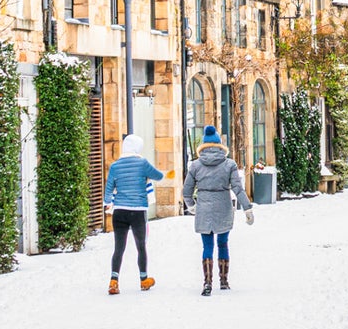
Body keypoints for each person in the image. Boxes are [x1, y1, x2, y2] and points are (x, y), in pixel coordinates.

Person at [182, 125, 254, 296]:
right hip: (223, 205)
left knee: (207, 245)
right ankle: (223, 280)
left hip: (204, 206)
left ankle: (207, 282)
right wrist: (247, 209)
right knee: (223, 243)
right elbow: (238, 188)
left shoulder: (195, 165)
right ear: (220, 145)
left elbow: (186, 191)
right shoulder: (229, 164)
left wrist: (192, 206)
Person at [102, 133, 165, 295]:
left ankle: (113, 281)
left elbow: (108, 189)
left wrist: (107, 202)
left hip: (120, 212)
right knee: (141, 246)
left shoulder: (115, 166)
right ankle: (144, 280)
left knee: (119, 248)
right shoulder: (142, 163)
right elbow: (158, 176)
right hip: (138, 212)